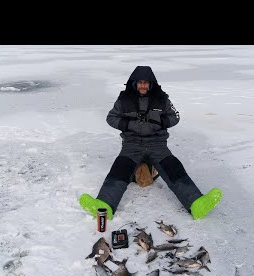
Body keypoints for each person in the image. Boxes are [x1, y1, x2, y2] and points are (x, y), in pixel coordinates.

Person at [79, 65, 222, 220]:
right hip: (132, 145)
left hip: (157, 144)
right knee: (119, 171)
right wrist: (129, 125)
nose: (143, 85)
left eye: (146, 82)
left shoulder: (162, 99)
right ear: (134, 83)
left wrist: (160, 122)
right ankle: (104, 206)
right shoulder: (123, 100)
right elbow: (111, 118)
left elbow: (175, 117)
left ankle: (196, 204)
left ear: (151, 83)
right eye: (140, 82)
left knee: (174, 169)